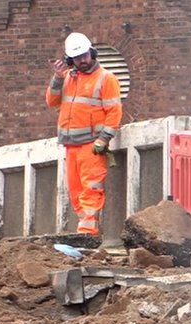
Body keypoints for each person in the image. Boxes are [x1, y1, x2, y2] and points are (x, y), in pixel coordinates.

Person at [45, 32, 122, 235]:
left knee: (91, 188)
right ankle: (85, 229)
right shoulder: (68, 78)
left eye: (85, 55)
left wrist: (104, 139)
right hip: (71, 145)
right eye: (78, 58)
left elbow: (114, 111)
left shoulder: (106, 78)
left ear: (92, 53)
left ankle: (88, 233)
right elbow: (51, 102)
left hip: (91, 145)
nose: (83, 60)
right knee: (76, 191)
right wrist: (57, 78)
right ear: (71, 60)